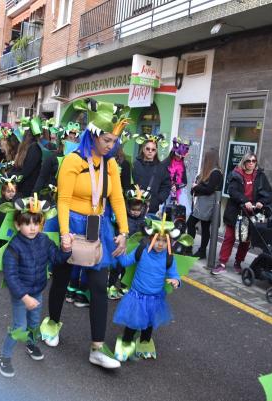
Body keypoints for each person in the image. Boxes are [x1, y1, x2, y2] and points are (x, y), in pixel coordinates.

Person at [41, 99, 129, 369]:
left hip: (98, 226)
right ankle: (53, 323)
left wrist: (124, 231)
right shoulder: (72, 160)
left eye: (114, 140)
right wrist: (65, 233)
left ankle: (97, 348)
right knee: (62, 278)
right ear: (92, 135)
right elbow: (63, 200)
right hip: (71, 225)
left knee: (99, 287)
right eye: (106, 139)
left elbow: (118, 199)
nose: (110, 145)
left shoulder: (111, 165)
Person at [0, 196, 72, 378]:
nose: (32, 228)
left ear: (42, 223)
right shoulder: (13, 247)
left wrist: (66, 248)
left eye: (36, 223)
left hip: (37, 291)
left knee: (33, 323)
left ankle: (30, 345)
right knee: (19, 326)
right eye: (27, 223)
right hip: (21, 295)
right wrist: (24, 297)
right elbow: (11, 277)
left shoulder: (44, 241)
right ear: (17, 225)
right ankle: (4, 357)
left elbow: (57, 259)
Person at [113, 217, 181, 361]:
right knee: (133, 322)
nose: (160, 244)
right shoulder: (141, 251)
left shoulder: (169, 258)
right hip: (137, 296)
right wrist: (119, 251)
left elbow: (174, 273)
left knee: (149, 324)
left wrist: (176, 280)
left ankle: (144, 343)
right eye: (158, 239)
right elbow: (125, 262)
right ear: (151, 238)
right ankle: (125, 343)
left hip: (155, 298)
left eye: (164, 241)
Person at [212, 152, 272, 275]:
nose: (251, 163)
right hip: (236, 211)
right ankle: (222, 263)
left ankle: (238, 262)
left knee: (245, 240)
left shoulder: (260, 176)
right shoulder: (237, 174)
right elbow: (232, 191)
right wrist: (245, 201)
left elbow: (268, 193)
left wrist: (261, 201)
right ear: (244, 162)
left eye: (253, 161)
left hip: (251, 214)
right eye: (248, 161)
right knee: (229, 237)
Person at [187, 148, 224, 259]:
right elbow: (199, 188)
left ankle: (196, 249)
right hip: (202, 204)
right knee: (201, 226)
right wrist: (195, 188)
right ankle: (196, 249)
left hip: (208, 205)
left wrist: (197, 187)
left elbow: (209, 189)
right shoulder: (206, 172)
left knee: (194, 224)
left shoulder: (216, 173)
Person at [132, 135, 171, 214]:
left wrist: (157, 201)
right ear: (143, 149)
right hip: (133, 207)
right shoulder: (135, 165)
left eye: (153, 149)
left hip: (151, 209)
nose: (150, 151)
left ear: (156, 151)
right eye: (148, 149)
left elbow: (166, 187)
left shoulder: (161, 168)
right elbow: (128, 184)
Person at [14, 119, 44, 197]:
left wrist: (16, 179)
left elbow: (27, 170)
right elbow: (19, 167)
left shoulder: (34, 147)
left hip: (28, 188)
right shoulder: (26, 146)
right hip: (23, 186)